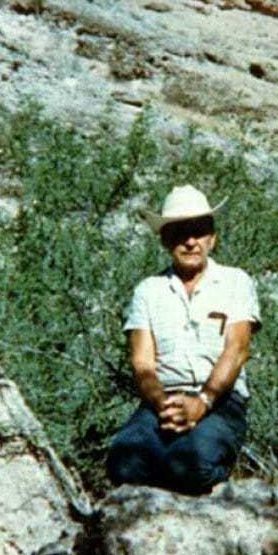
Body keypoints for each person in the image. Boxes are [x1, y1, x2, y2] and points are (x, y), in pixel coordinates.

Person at [107, 184, 262, 495]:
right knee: (123, 464)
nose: (191, 242)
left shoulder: (235, 282)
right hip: (162, 401)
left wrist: (202, 402)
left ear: (212, 237)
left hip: (220, 401)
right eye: (180, 233)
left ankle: (219, 494)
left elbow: (236, 350)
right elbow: (142, 362)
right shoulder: (148, 291)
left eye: (199, 231)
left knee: (190, 466)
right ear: (166, 240)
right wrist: (163, 405)